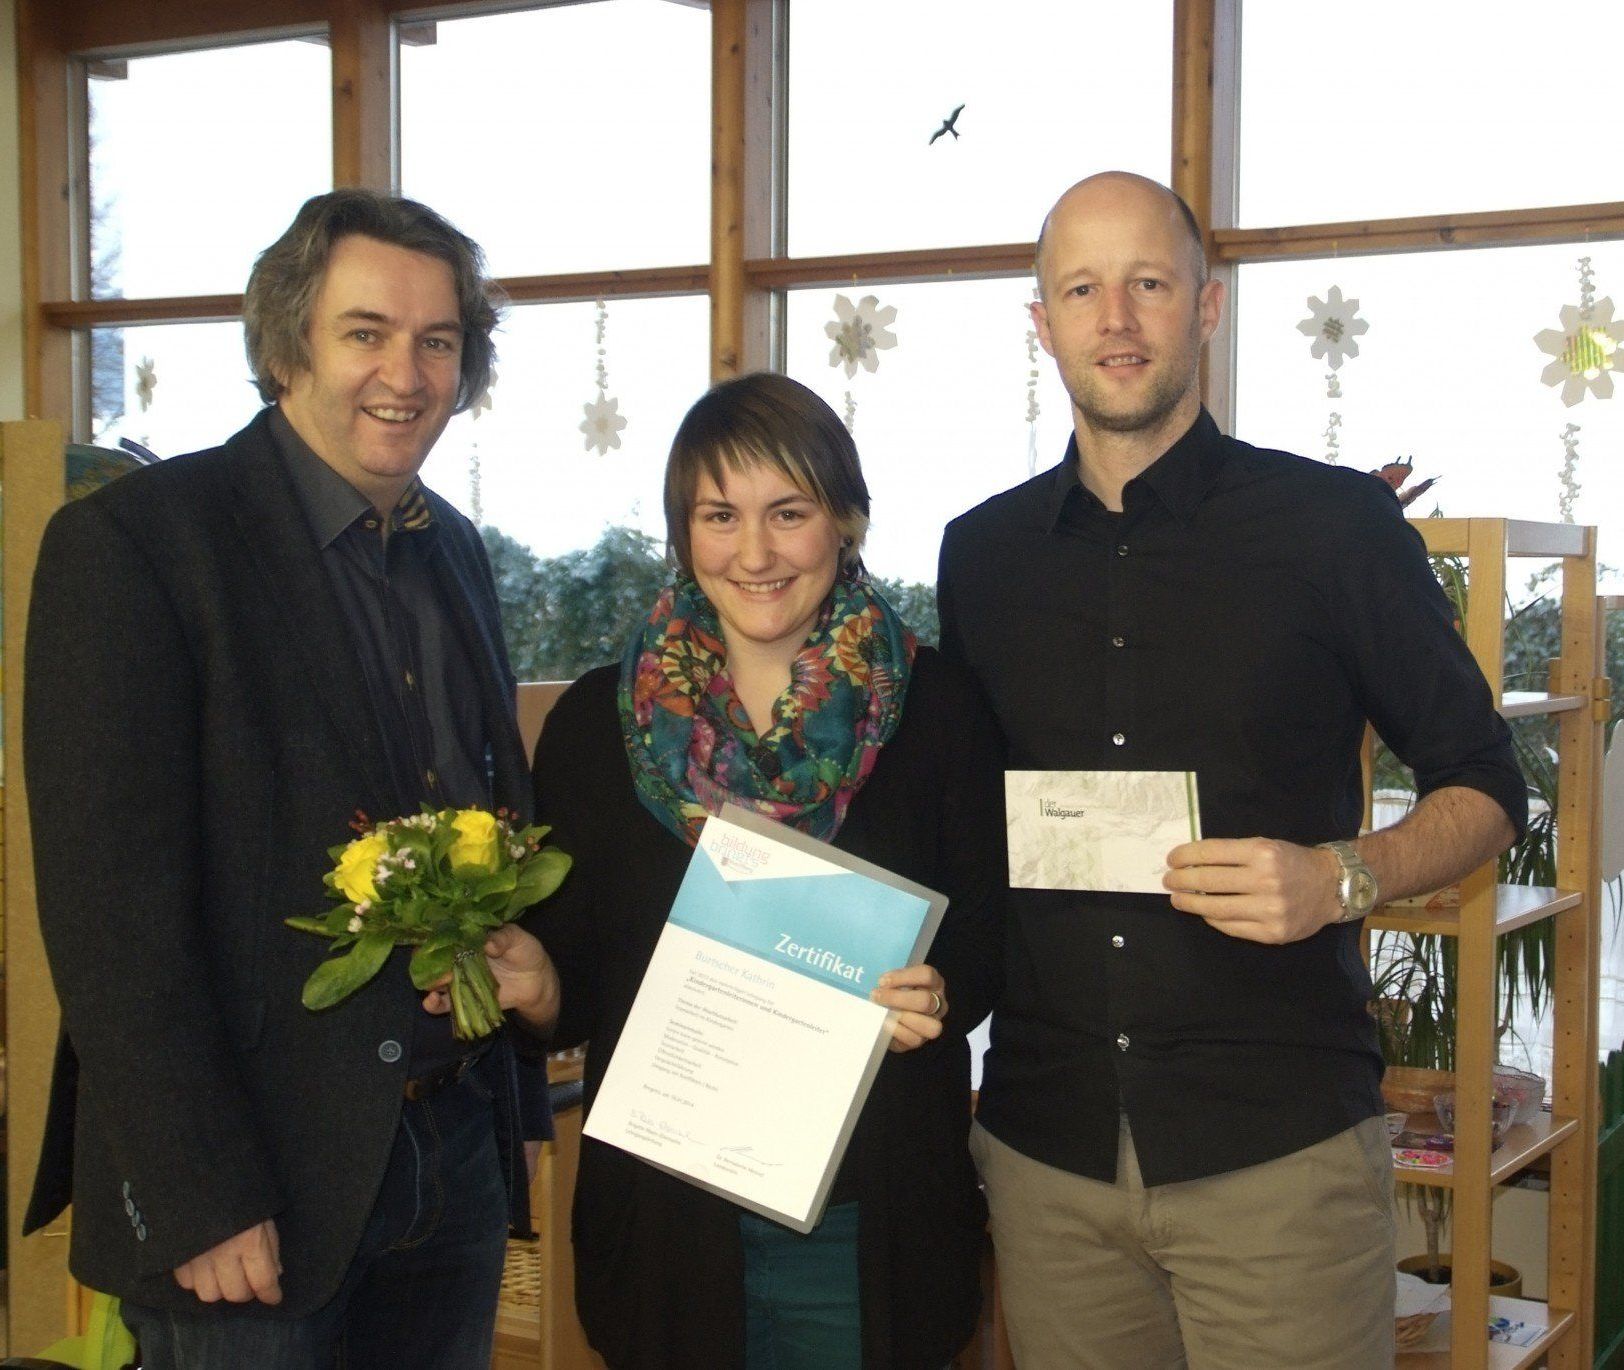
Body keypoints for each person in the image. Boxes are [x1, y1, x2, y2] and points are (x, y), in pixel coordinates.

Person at [935, 171, 1529, 1370]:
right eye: (1082, 288)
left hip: (1275, 1153)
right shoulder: (980, 555)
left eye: (1147, 283)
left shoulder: (1331, 529)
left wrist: (1341, 877)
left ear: (1204, 306)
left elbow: (1484, 782)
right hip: (1049, 1157)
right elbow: (963, 825)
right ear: (1037, 321)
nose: (1115, 318)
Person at [22, 189, 550, 1370]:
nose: (404, 372)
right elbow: (111, 915)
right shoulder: (137, 546)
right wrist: (198, 1189)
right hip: (251, 1190)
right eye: (366, 331)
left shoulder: (455, 551)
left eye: (439, 340)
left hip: (447, 1150)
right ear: (285, 343)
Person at [460, 371, 1004, 1369]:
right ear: (682, 530)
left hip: (865, 1209)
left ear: (842, 521)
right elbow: (575, 977)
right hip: (668, 1221)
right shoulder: (595, 726)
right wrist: (539, 988)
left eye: (786, 512)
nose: (753, 553)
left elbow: (986, 928)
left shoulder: (937, 708)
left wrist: (941, 987)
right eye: (719, 514)